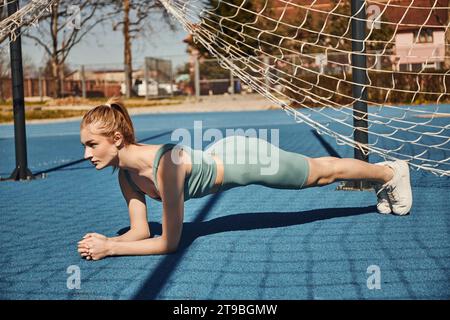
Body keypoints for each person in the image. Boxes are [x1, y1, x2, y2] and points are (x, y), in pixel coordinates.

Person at [78, 97, 413, 260]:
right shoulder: (126, 177)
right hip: (222, 154)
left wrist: (111, 249)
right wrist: (110, 240)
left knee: (321, 174)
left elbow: (169, 242)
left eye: (92, 144)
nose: (87, 154)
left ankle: (390, 172)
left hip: (247, 161)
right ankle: (384, 178)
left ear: (117, 139)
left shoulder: (166, 164)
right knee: (321, 172)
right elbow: (140, 231)